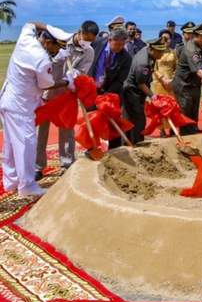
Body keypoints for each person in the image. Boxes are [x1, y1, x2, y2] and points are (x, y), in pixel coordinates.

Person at [1, 23, 74, 197]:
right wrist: (67, 82)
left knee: (11, 143)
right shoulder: (41, 58)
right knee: (27, 144)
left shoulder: (26, 39)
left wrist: (50, 27)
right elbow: (46, 84)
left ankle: (10, 181)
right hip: (21, 106)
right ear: (48, 43)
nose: (56, 53)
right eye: (57, 48)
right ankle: (27, 185)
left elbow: (30, 23)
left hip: (8, 98)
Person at [36, 21, 97, 180]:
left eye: (90, 40)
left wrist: (74, 76)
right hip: (47, 92)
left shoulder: (89, 51)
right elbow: (42, 60)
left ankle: (67, 163)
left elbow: (83, 70)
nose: (87, 42)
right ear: (79, 32)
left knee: (66, 129)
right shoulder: (62, 41)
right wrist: (57, 59)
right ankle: (38, 166)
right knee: (41, 131)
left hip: (66, 94)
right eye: (85, 37)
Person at [172, 22, 202, 135]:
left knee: (194, 111)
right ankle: (185, 137)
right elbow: (198, 70)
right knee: (186, 112)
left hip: (193, 84)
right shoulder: (191, 49)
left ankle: (193, 133)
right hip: (183, 85)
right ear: (195, 36)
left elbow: (200, 67)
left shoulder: (199, 47)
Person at [89, 27, 133, 149]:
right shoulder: (96, 44)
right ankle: (92, 148)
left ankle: (115, 149)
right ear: (109, 39)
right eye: (117, 44)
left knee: (113, 122)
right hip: (92, 90)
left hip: (111, 93)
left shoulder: (126, 57)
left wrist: (106, 94)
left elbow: (120, 80)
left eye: (122, 45)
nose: (119, 47)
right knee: (92, 120)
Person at [123, 38, 168, 144]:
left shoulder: (147, 51)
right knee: (138, 119)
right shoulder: (143, 63)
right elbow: (141, 84)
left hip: (137, 89)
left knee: (131, 118)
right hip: (132, 91)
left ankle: (130, 141)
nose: (162, 55)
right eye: (160, 52)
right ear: (152, 49)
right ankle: (137, 142)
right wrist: (153, 96)